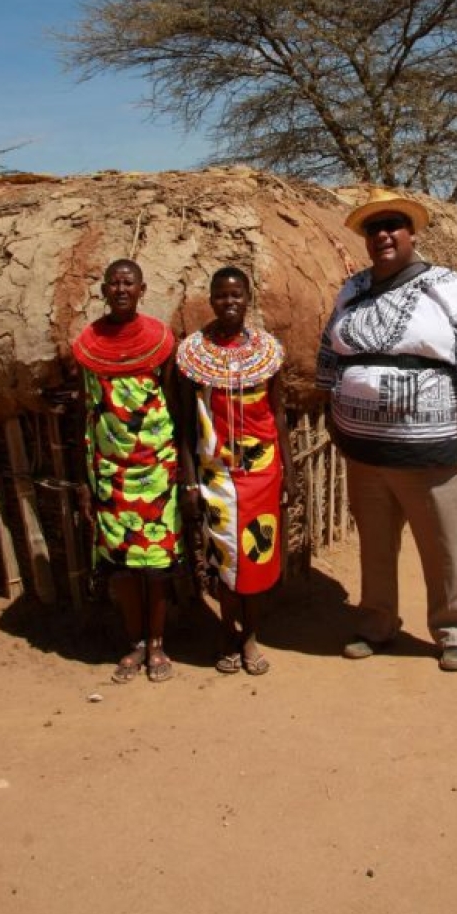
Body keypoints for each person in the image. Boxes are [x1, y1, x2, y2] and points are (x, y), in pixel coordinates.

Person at [316, 188, 457, 672]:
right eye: (374, 228)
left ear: (411, 233)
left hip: (430, 449)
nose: (384, 235)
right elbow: (331, 355)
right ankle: (377, 622)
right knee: (375, 543)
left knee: (446, 546)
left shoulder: (447, 286)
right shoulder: (352, 290)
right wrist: (333, 404)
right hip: (365, 452)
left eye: (393, 225)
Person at [176, 267, 296, 676]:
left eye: (237, 294)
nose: (230, 302)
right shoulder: (194, 354)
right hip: (217, 476)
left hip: (263, 474)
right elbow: (186, 426)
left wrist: (290, 472)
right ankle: (228, 633)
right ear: (211, 300)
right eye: (222, 295)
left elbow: (279, 414)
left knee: (255, 556)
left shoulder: (268, 351)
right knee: (224, 558)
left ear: (249, 299)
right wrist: (189, 479)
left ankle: (251, 636)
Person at [72, 258, 182, 684]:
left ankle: (157, 643)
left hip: (156, 471)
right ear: (103, 290)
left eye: (128, 283)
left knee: (155, 566)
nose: (120, 290)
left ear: (142, 289)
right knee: (121, 567)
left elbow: (174, 405)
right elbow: (85, 413)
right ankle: (135, 642)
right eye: (113, 284)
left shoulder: (159, 342)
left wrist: (181, 472)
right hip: (110, 473)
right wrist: (86, 481)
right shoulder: (89, 345)